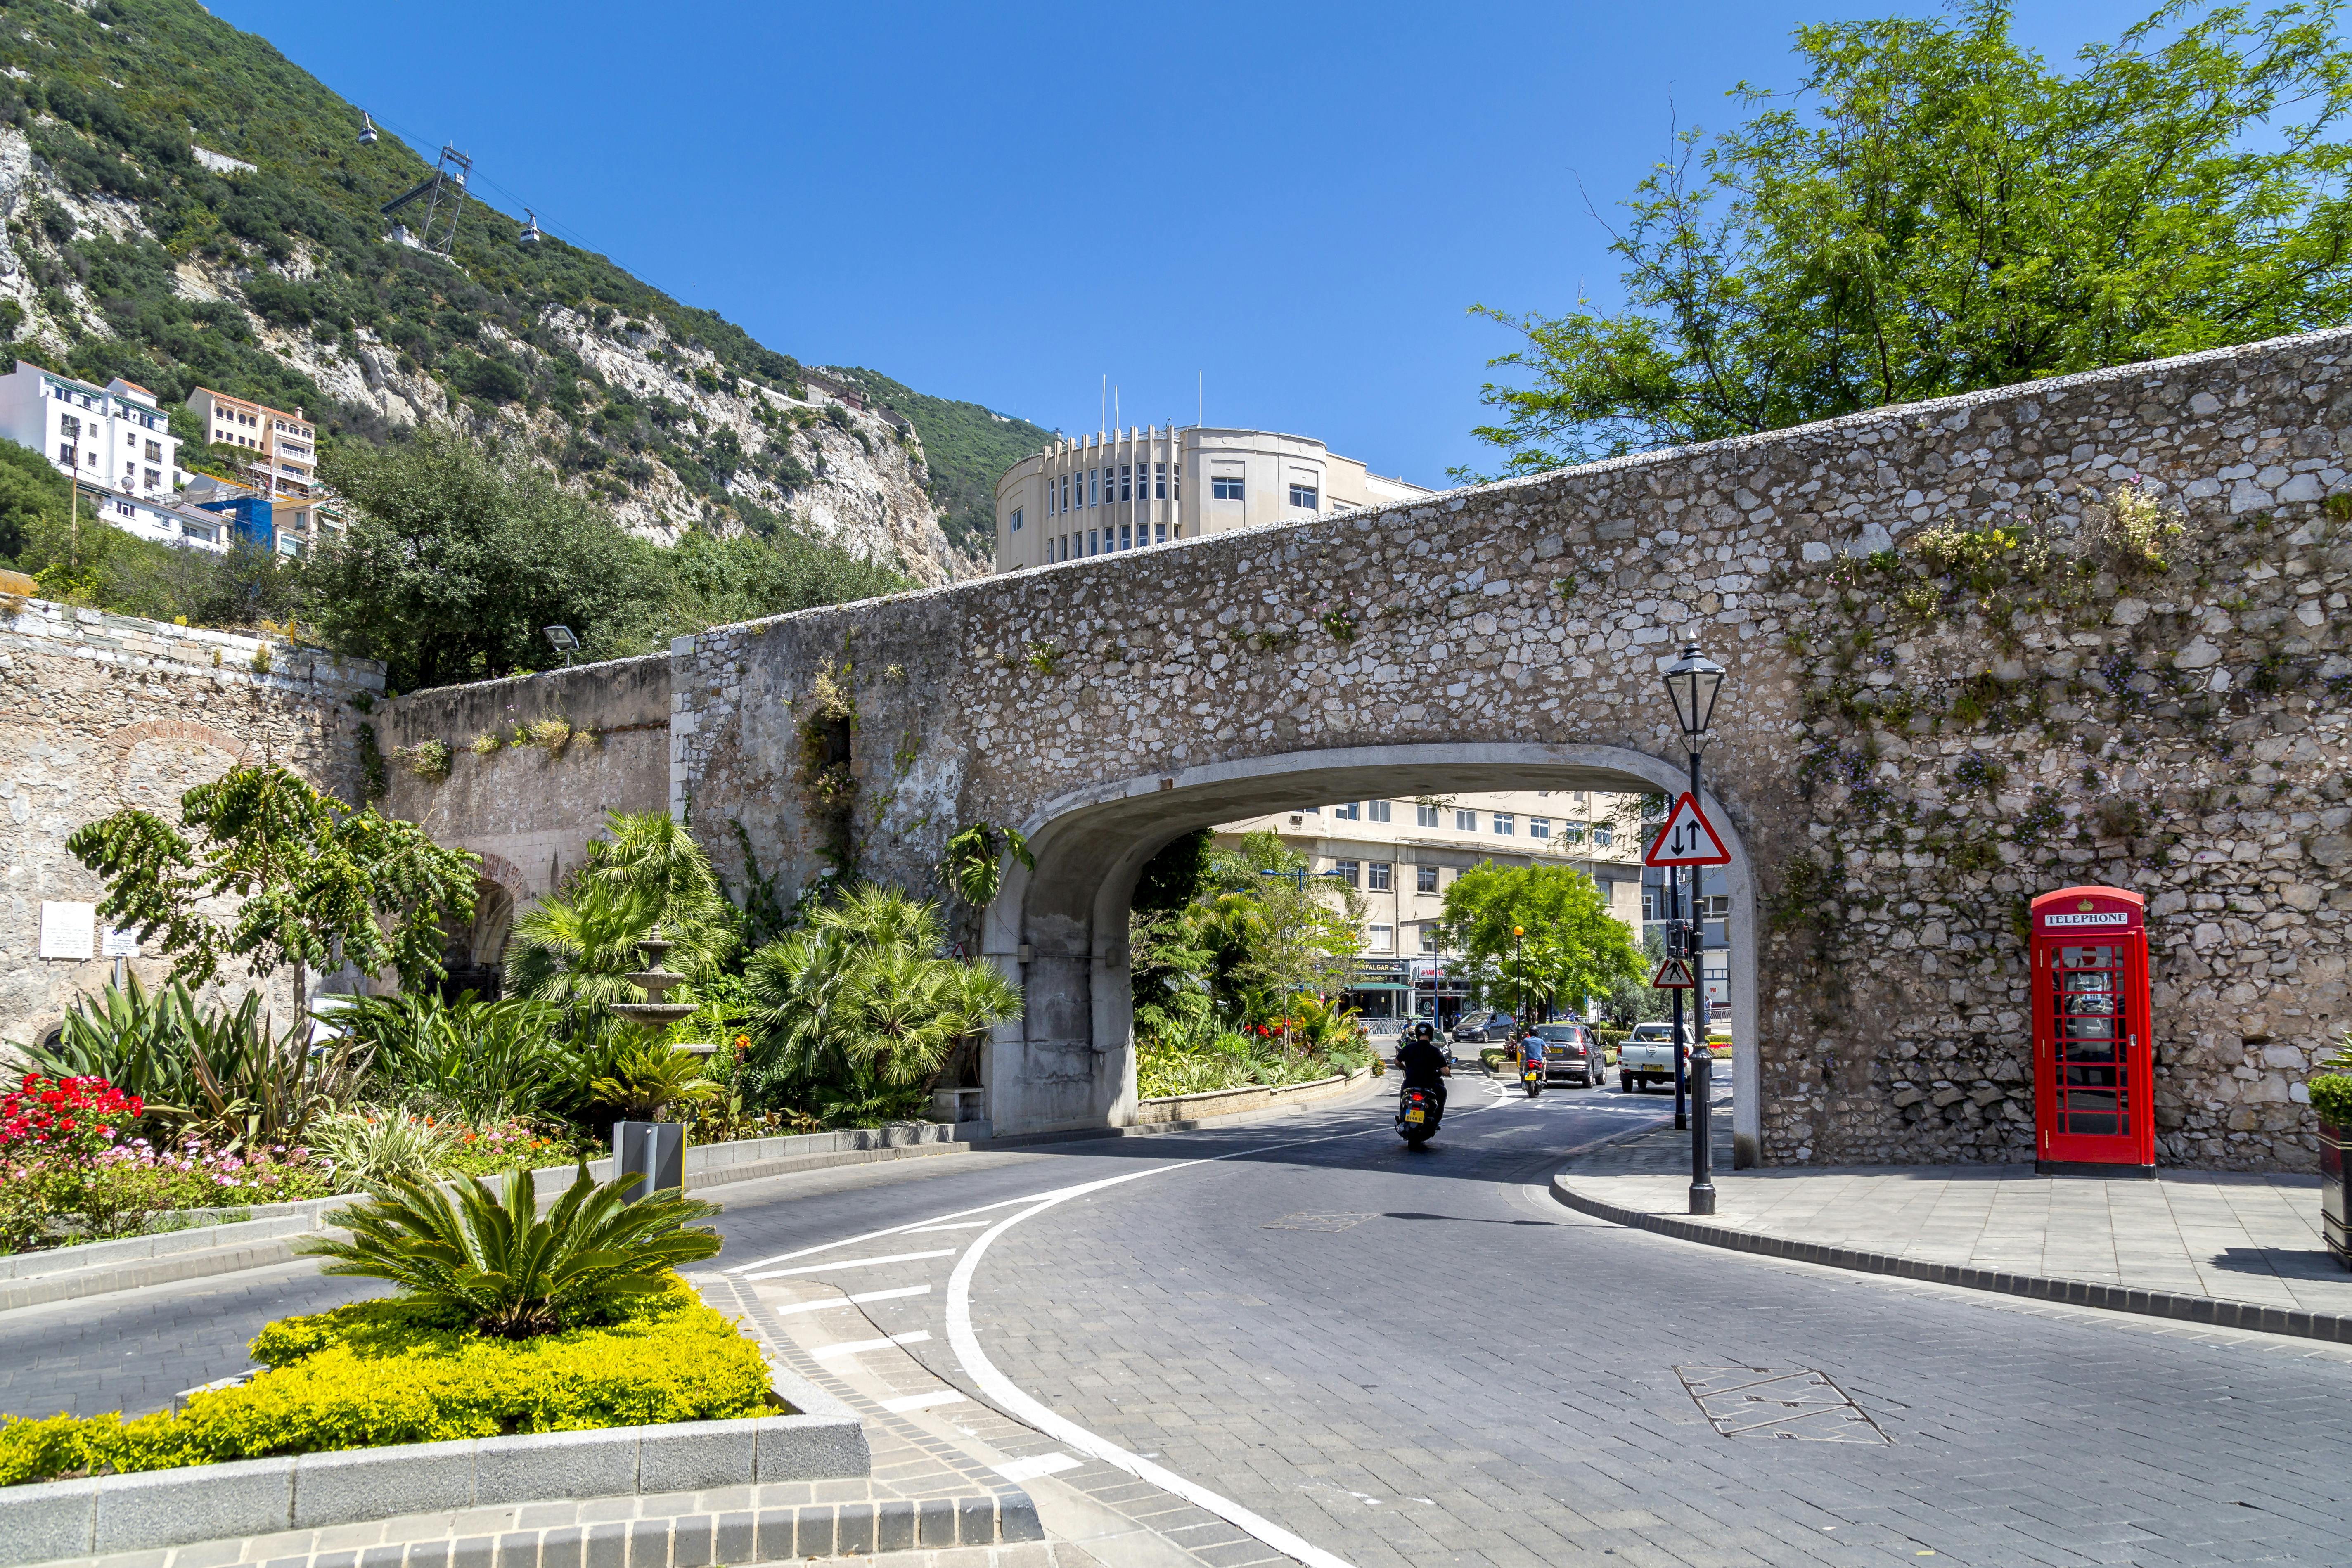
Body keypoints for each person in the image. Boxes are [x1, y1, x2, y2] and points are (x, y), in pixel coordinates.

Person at [1396, 1020, 1451, 1113]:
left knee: (1404, 1091)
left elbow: (1397, 1062)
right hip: (1429, 1085)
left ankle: (1402, 1115)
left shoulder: (1409, 1048)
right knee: (1443, 1092)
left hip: (1411, 1084)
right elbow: (1445, 1071)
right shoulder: (1435, 1051)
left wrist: (1404, 1067)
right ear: (1431, 1035)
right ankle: (1436, 1119)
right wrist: (1449, 1073)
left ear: (1417, 1034)